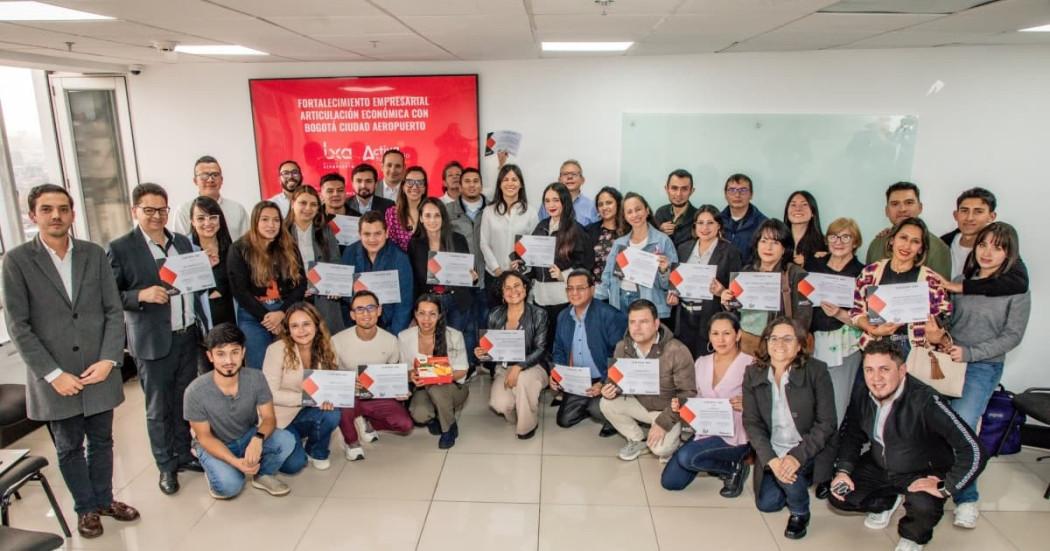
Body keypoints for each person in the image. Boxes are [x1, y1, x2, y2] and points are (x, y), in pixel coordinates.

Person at [2, 184, 139, 538]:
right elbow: (19, 326)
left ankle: (106, 499)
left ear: (73, 214)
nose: (56, 216)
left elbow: (112, 310)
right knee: (69, 446)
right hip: (55, 375)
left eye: (63, 209)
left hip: (99, 369)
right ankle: (86, 509)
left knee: (103, 440)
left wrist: (110, 359)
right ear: (33, 216)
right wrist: (52, 374)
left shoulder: (93, 254)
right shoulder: (16, 261)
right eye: (47, 209)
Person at [829, 340, 986, 551]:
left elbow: (974, 450)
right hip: (880, 465)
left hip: (921, 472)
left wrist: (946, 486)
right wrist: (843, 470)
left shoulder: (926, 401)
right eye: (869, 370)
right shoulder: (863, 393)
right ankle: (887, 501)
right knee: (839, 494)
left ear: (902, 370)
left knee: (923, 507)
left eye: (884, 369)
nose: (876, 378)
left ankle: (913, 536)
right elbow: (852, 434)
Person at [929, 222, 1029, 528]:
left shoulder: (1016, 290)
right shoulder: (961, 281)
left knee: (962, 429)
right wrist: (937, 325)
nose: (987, 252)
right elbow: (949, 319)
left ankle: (966, 498)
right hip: (947, 362)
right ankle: (927, 485)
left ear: (1009, 253)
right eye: (983, 245)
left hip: (982, 367)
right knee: (930, 425)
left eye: (997, 247)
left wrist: (970, 354)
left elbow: (1012, 336)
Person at [108, 183, 205, 495]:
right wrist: (140, 295)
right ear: (135, 211)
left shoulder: (182, 242)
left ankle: (183, 453)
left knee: (182, 400)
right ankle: (165, 465)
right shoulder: (121, 247)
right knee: (158, 407)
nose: (156, 216)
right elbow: (109, 295)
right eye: (148, 210)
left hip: (188, 333)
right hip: (153, 341)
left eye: (162, 210)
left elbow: (194, 281)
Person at [741, 317, 836, 540]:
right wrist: (771, 460)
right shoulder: (753, 373)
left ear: (800, 345)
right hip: (773, 448)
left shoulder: (817, 371)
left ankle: (800, 511)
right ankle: (793, 477)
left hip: (808, 447)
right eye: (773, 338)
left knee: (787, 475)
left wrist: (795, 458)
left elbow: (827, 422)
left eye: (787, 338)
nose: (779, 344)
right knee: (767, 504)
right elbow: (752, 424)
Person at [184, 323, 301, 499]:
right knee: (229, 487)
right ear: (210, 356)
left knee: (286, 440)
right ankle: (218, 469)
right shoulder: (195, 391)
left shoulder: (256, 377)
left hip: (247, 435)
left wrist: (258, 439)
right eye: (221, 354)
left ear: (243, 353)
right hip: (215, 443)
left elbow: (269, 418)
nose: (229, 361)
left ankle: (262, 475)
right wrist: (235, 462)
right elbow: (204, 437)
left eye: (235, 352)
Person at [661, 313, 753, 497]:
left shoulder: (751, 364)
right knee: (671, 482)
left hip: (736, 435)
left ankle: (734, 467)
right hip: (705, 430)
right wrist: (681, 404)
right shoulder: (701, 362)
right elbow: (692, 396)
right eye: (715, 333)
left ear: (738, 335)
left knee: (687, 457)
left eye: (727, 333)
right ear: (709, 336)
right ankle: (720, 464)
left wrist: (749, 403)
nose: (721, 339)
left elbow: (769, 402)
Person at [599, 299, 696, 461]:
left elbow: (688, 394)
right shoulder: (622, 347)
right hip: (641, 404)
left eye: (643, 322)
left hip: (668, 410)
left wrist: (663, 422)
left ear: (656, 323)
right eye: (632, 322)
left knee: (660, 450)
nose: (636, 328)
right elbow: (614, 381)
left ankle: (677, 436)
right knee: (606, 403)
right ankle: (637, 439)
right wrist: (608, 389)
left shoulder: (677, 350)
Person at [852, 217, 951, 358]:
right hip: (875, 347)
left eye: (915, 241)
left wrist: (936, 334)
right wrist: (872, 329)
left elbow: (944, 317)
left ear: (920, 248)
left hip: (915, 352)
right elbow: (856, 311)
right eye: (903, 238)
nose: (907, 246)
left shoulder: (930, 280)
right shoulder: (871, 272)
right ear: (892, 240)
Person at [332, 291, 413, 461]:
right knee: (343, 404)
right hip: (349, 396)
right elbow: (330, 376)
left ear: (379, 311)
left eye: (371, 308)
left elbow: (393, 374)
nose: (366, 314)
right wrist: (346, 385)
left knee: (405, 424)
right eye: (360, 309)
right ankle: (352, 441)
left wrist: (402, 391)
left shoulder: (391, 340)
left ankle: (366, 420)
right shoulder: (337, 341)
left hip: (376, 396)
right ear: (352, 315)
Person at [261, 302, 343, 471]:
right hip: (280, 417)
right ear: (288, 330)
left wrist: (336, 394)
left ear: (316, 325)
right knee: (294, 465)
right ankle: (286, 440)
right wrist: (307, 399)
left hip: (307, 412)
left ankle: (317, 451)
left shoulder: (328, 346)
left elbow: (331, 383)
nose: (302, 330)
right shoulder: (275, 350)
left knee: (332, 413)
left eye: (306, 324)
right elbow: (269, 393)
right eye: (295, 326)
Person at [226, 201, 306, 370]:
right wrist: (267, 318)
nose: (271, 225)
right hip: (253, 315)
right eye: (265, 219)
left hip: (287, 311)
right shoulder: (239, 249)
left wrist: (282, 313)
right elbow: (240, 291)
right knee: (259, 368)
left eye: (276, 220)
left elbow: (301, 284)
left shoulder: (289, 247)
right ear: (255, 221)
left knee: (292, 367)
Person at [804, 218, 865, 425]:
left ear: (855, 242)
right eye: (834, 236)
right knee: (810, 405)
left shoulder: (863, 272)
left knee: (836, 406)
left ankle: (829, 454)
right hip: (813, 344)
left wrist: (840, 313)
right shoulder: (813, 265)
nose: (839, 241)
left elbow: (870, 322)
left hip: (845, 347)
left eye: (846, 236)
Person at [720, 219, 812, 356]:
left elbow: (804, 319)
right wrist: (727, 304)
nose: (768, 248)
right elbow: (735, 314)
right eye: (763, 241)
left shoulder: (798, 275)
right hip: (745, 345)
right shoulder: (746, 272)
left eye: (775, 242)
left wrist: (786, 343)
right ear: (756, 245)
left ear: (784, 249)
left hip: (778, 348)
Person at [551, 271, 627, 435]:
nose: (574, 293)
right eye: (570, 289)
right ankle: (589, 403)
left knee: (596, 409)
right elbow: (558, 350)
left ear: (592, 289)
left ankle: (605, 409)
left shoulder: (609, 315)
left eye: (580, 288)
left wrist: (604, 382)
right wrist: (557, 374)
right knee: (564, 420)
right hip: (578, 379)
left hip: (603, 377)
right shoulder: (563, 316)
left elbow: (620, 356)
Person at [516, 182, 593, 344]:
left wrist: (563, 275)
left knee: (562, 341)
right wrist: (522, 265)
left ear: (564, 202)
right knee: (543, 342)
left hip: (563, 297)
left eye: (556, 200)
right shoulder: (541, 226)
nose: (551, 205)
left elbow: (586, 264)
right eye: (547, 200)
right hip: (540, 296)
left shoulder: (576, 230)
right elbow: (533, 260)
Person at [478, 271, 550, 439]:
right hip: (504, 367)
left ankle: (527, 426)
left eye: (517, 285)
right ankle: (519, 410)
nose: (513, 291)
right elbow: (491, 350)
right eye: (507, 288)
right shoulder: (494, 314)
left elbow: (540, 349)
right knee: (499, 404)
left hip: (535, 365)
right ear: (502, 293)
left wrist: (519, 367)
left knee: (523, 381)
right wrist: (482, 353)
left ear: (525, 288)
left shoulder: (539, 314)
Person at [667, 205, 742, 359]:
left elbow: (737, 297)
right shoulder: (683, 249)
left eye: (710, 223)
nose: (705, 228)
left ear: (719, 225)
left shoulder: (730, 252)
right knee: (684, 364)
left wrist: (721, 292)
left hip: (710, 318)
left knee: (706, 365)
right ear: (694, 226)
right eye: (700, 223)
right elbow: (675, 281)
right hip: (684, 318)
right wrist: (673, 296)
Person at [400, 295, 470, 449]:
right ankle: (436, 417)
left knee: (437, 389)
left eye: (432, 314)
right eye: (422, 313)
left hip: (453, 387)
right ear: (415, 315)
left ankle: (448, 428)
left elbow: (463, 370)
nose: (427, 319)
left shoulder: (453, 335)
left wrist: (441, 376)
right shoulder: (404, 337)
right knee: (419, 413)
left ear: (439, 315)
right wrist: (412, 376)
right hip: (423, 387)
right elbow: (404, 369)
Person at [596, 192, 678, 319]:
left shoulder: (663, 241)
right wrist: (589, 296)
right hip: (620, 301)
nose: (634, 215)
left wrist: (664, 270)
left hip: (649, 302)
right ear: (625, 216)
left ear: (647, 211)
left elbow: (672, 286)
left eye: (638, 209)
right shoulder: (619, 244)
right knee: (622, 338)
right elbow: (607, 278)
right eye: (629, 212)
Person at [408, 198, 477, 344]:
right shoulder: (414, 244)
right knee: (434, 345)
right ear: (420, 218)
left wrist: (472, 277)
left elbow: (469, 270)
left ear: (443, 218)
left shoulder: (458, 239)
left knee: (453, 345)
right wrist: (414, 312)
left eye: (437, 215)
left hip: (456, 300)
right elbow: (413, 281)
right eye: (427, 215)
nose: (432, 220)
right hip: (429, 303)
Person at [342, 210, 415, 334]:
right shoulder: (350, 252)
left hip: (390, 325)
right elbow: (345, 292)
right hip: (356, 325)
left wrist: (394, 335)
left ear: (386, 233)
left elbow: (404, 304)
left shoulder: (400, 257)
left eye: (377, 234)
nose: (372, 239)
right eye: (367, 234)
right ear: (359, 234)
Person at [285, 186, 345, 334]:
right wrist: (298, 288)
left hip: (323, 299)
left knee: (327, 343)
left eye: (313, 204)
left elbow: (335, 260)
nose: (308, 208)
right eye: (303, 203)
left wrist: (336, 284)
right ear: (293, 203)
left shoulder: (325, 230)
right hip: (292, 299)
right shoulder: (282, 232)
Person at [865, 182, 951, 278]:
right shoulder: (876, 244)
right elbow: (866, 286)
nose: (902, 209)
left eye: (909, 203)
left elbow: (940, 289)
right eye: (895, 204)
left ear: (920, 207)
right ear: (887, 211)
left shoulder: (938, 249)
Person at [445, 167, 488, 355]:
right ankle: (467, 365)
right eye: (467, 181)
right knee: (463, 326)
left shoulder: (493, 209)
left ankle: (487, 362)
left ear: (481, 184)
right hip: (460, 281)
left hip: (488, 278)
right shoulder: (447, 211)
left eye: (476, 181)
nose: (472, 185)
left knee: (487, 323)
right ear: (460, 186)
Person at [479, 164, 536, 294]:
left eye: (514, 179)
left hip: (520, 277)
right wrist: (497, 270)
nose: (510, 183)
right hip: (494, 276)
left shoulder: (530, 212)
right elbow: (484, 243)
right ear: (499, 184)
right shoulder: (489, 211)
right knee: (496, 313)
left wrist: (522, 265)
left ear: (521, 184)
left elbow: (534, 246)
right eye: (505, 179)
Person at [172, 155, 249, 238]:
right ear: (195, 181)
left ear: (222, 180)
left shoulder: (237, 210)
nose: (210, 180)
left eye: (215, 175)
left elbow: (247, 244)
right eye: (204, 175)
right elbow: (181, 245)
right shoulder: (184, 211)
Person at [188, 195, 235, 329]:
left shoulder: (232, 248)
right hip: (200, 324)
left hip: (231, 318)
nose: (207, 223)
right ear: (192, 221)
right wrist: (203, 267)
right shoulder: (185, 250)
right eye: (201, 218)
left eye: (213, 217)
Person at [940, 187, 997, 280]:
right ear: (956, 215)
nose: (969, 218)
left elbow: (1019, 281)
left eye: (978, 211)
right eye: (964, 210)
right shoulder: (943, 242)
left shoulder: (999, 248)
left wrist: (963, 287)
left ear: (991, 217)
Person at [720, 173, 767, 266]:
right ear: (725, 195)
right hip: (720, 276)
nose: (737, 195)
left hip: (749, 277)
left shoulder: (763, 224)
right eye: (732, 190)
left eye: (743, 190)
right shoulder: (716, 221)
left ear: (751, 195)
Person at [585, 186, 627, 281]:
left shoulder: (629, 231)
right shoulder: (589, 231)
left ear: (618, 204)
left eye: (609, 203)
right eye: (600, 204)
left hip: (622, 290)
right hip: (595, 290)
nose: (604, 207)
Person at [538, 159, 598, 225]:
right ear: (559, 180)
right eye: (565, 174)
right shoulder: (547, 204)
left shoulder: (592, 206)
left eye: (574, 174)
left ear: (582, 180)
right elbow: (540, 231)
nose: (569, 177)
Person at [385, 165, 427, 251]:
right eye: (410, 182)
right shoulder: (392, 214)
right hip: (399, 263)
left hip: (426, 263)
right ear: (403, 187)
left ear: (424, 189)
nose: (415, 187)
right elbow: (389, 247)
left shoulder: (432, 213)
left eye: (420, 182)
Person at [654, 169, 698, 249]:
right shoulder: (660, 213)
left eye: (684, 189)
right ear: (666, 189)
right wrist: (659, 232)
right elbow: (652, 244)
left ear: (692, 191)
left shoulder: (699, 217)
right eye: (674, 188)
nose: (679, 194)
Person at [784, 191, 827, 265]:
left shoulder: (825, 243)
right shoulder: (777, 239)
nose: (798, 209)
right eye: (793, 204)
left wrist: (809, 262)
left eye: (804, 204)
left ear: (813, 212)